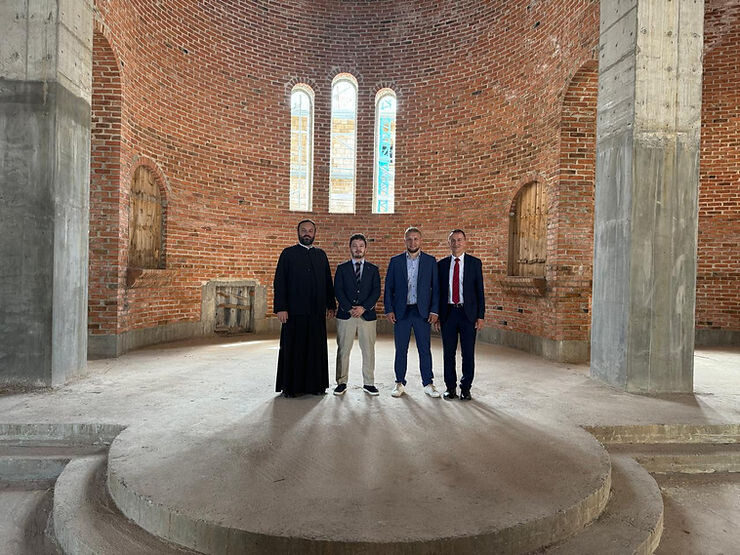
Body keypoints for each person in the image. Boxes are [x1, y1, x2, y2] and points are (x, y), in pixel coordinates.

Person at [273, 219, 336, 397]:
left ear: (315, 233)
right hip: (293, 313)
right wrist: (281, 308)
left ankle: (316, 386)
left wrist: (331, 305)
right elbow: (279, 282)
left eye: (310, 230)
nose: (307, 233)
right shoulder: (288, 254)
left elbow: (327, 281)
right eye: (303, 230)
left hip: (316, 312)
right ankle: (292, 387)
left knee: (315, 349)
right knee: (294, 349)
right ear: (298, 232)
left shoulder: (321, 255)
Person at [384, 227, 440, 398]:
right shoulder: (395, 261)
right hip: (402, 311)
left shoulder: (430, 261)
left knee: (424, 348)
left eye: (416, 239)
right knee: (401, 349)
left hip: (422, 311)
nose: (412, 242)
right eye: (409, 239)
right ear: (405, 241)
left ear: (420, 240)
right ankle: (399, 383)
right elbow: (388, 287)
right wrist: (389, 309)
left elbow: (436, 288)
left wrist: (434, 310)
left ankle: (428, 383)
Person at [435, 229, 485, 400]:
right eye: (453, 240)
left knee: (468, 353)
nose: (456, 243)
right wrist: (438, 316)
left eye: (459, 240)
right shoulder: (441, 265)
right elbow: (438, 293)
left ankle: (465, 388)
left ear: (465, 242)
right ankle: (450, 388)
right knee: (448, 354)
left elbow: (480, 291)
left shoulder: (474, 263)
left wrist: (480, 316)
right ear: (449, 243)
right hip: (448, 313)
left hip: (468, 314)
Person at [333, 233, 381, 396]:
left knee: (368, 350)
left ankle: (369, 383)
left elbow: (376, 291)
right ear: (350, 248)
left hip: (367, 316)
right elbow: (338, 290)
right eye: (355, 246)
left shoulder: (373, 269)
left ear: (365, 248)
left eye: (361, 246)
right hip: (346, 315)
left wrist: (364, 308)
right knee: (343, 350)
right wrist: (349, 308)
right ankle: (341, 382)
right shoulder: (342, 268)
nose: (358, 249)